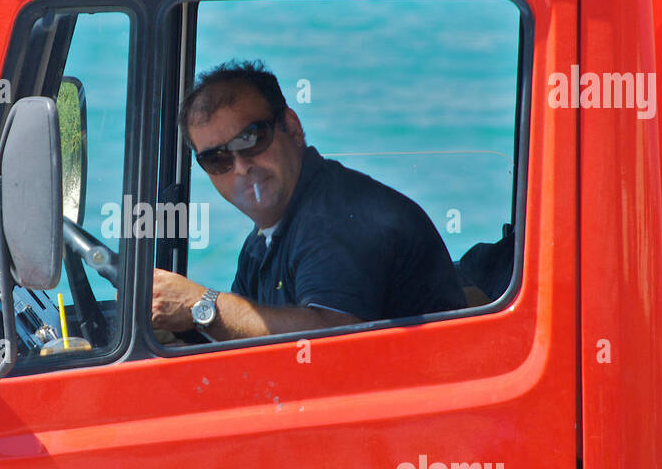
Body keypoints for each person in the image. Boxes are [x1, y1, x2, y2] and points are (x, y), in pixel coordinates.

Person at [151, 60, 466, 339]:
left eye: (250, 138)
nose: (242, 167)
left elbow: (332, 337)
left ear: (292, 127)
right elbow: (243, 343)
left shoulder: (338, 216)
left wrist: (200, 306)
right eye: (217, 159)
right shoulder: (264, 241)